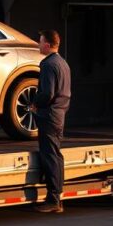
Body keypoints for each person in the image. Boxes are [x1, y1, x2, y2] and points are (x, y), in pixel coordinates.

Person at [33, 29, 71, 213]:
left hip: (48, 116)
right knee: (56, 156)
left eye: (40, 42)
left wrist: (35, 104)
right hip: (59, 115)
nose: (38, 44)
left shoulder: (48, 64)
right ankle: (58, 197)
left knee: (49, 157)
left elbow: (47, 93)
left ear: (47, 45)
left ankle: (53, 199)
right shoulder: (63, 63)